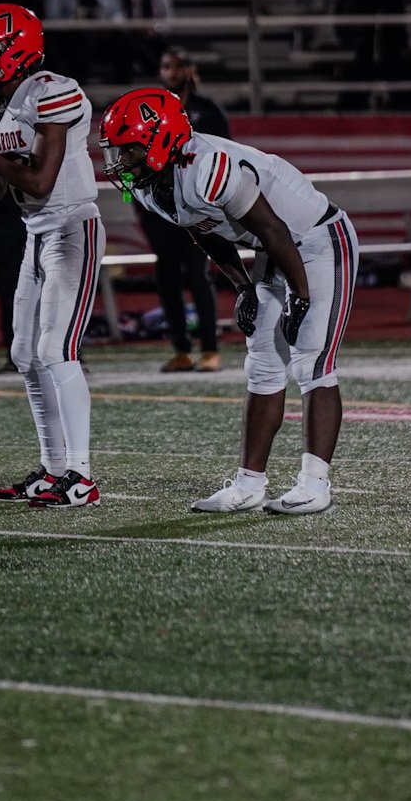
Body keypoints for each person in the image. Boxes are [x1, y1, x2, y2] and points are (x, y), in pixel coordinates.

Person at [99, 88, 358, 516]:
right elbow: (204, 230)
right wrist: (242, 286)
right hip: (275, 250)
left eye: (128, 150)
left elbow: (272, 229)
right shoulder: (151, 185)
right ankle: (249, 485)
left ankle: (315, 485)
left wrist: (301, 295)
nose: (120, 161)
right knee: (263, 364)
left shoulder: (207, 167)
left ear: (161, 140)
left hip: (316, 240)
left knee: (311, 361)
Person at [0, 4, 103, 508]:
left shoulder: (53, 90)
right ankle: (53, 471)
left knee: (56, 350)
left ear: (14, 50)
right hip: (36, 231)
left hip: (72, 226)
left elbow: (41, 181)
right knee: (25, 354)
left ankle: (82, 476)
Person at [136, 47, 230, 373]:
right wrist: (141, 206)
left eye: (177, 66)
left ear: (189, 69)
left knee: (198, 276)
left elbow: (223, 156)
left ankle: (210, 348)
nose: (171, 73)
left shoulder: (207, 111)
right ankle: (181, 349)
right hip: (161, 209)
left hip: (196, 206)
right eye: (166, 66)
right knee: (167, 279)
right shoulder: (149, 110)